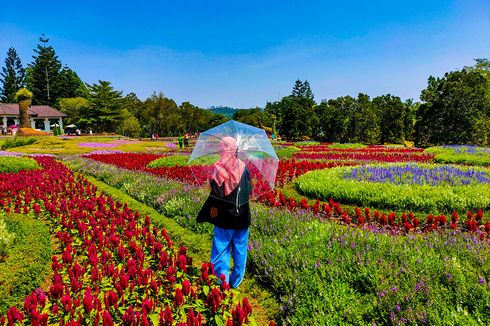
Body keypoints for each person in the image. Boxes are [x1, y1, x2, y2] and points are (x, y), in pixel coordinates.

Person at [196, 137, 252, 288]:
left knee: (221, 248)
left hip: (224, 217)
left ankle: (222, 281)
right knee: (240, 250)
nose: (221, 150)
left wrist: (213, 208)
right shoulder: (243, 167)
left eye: (222, 147)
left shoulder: (218, 168)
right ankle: (236, 281)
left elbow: (215, 193)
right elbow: (249, 190)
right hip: (242, 216)